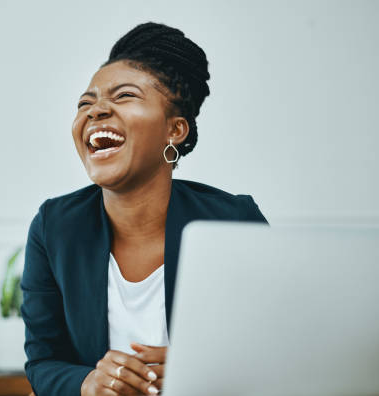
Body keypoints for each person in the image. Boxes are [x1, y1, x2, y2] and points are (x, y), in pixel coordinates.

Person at [20, 21, 268, 396]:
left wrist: (205, 373)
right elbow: (43, 361)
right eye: (85, 103)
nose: (96, 110)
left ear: (175, 130)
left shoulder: (233, 221)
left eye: (123, 96)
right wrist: (87, 382)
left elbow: (277, 346)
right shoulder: (53, 228)